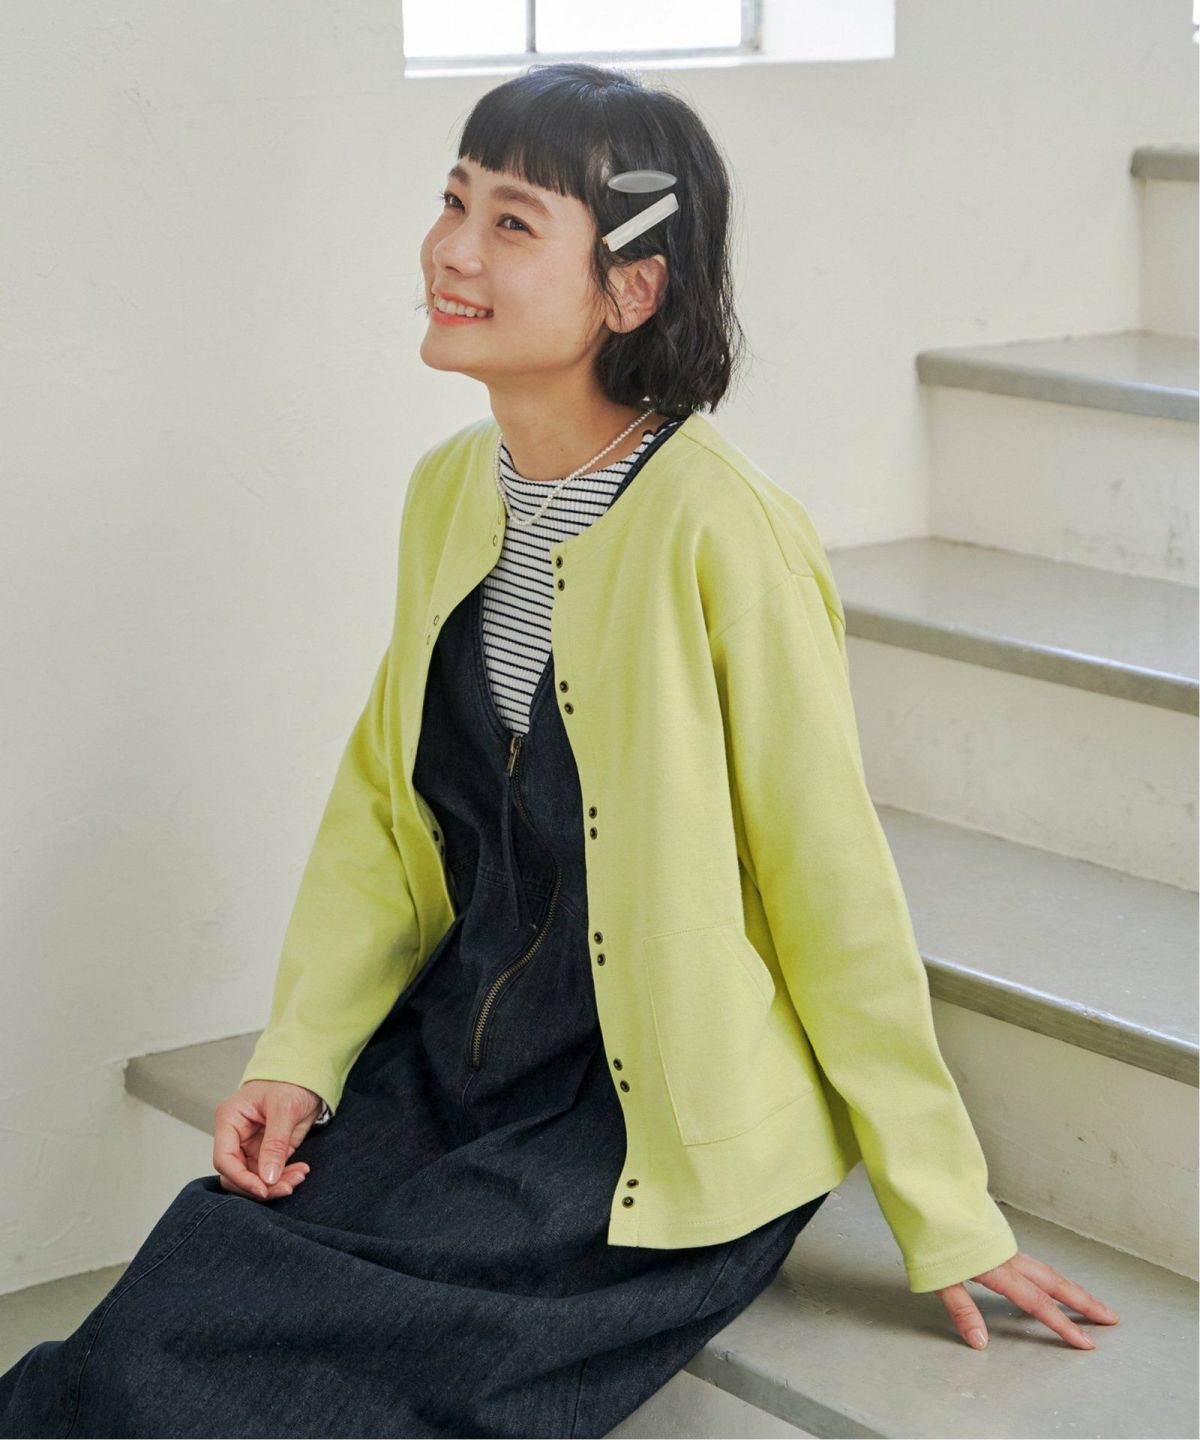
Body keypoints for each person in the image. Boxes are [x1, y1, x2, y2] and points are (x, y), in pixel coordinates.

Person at [0, 59, 1117, 1440]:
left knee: (267, 1364)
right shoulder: (448, 492)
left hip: (636, 1116)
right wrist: (299, 1055)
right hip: (465, 1041)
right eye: (453, 200)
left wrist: (945, 1210)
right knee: (198, 1267)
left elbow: (832, 888)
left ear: (630, 289)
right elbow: (385, 813)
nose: (451, 250)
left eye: (512, 222)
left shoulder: (723, 531)